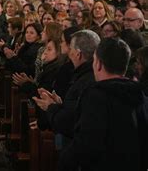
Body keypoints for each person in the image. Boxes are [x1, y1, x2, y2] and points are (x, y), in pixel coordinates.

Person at [58, 38, 145, 171]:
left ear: (98, 63)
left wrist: (65, 161)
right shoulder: (140, 94)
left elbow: (87, 144)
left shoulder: (96, 96)